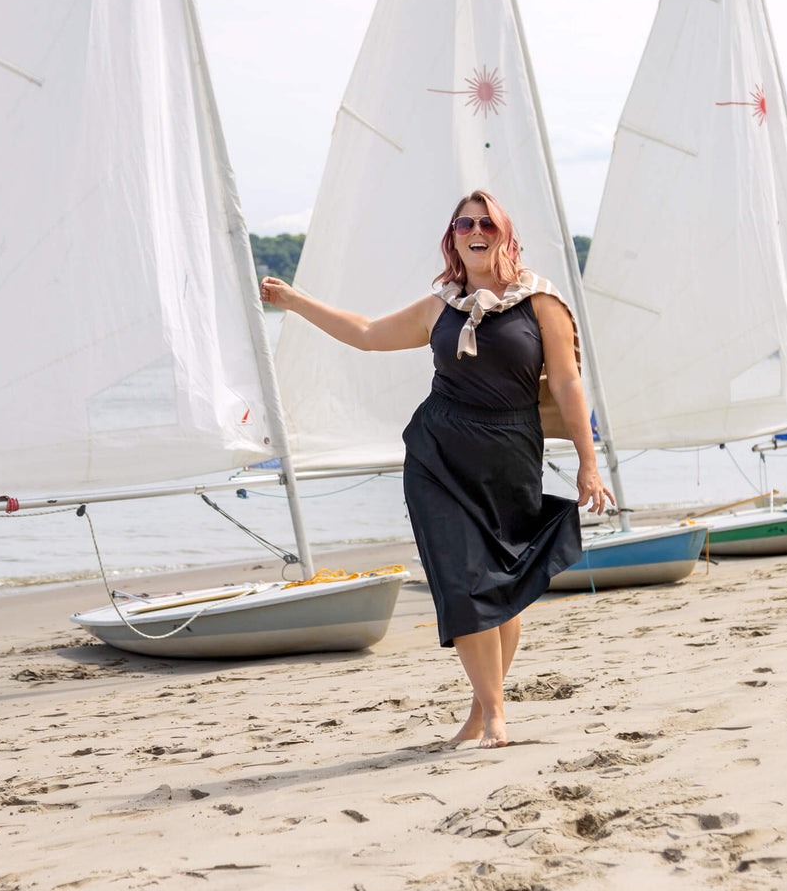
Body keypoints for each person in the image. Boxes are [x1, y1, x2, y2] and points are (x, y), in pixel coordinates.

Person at [260, 190, 613, 748]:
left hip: (509, 455)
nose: (476, 230)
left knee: (502, 583)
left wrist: (587, 464)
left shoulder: (540, 302)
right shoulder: (440, 307)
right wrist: (297, 301)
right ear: (452, 237)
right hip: (438, 454)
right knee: (461, 582)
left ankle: (480, 710)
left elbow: (569, 384)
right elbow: (368, 334)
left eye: (486, 222)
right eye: (463, 223)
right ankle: (496, 715)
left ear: (505, 233)